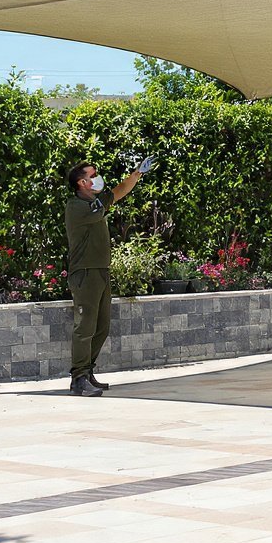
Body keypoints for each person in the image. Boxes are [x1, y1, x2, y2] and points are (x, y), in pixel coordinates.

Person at [64, 156, 153, 397]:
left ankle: (87, 371)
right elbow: (113, 196)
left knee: (102, 328)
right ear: (82, 183)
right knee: (85, 327)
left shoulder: (94, 203)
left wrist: (137, 174)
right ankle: (79, 378)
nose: (97, 178)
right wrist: (118, 189)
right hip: (85, 273)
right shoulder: (76, 206)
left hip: (101, 271)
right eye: (92, 175)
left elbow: (117, 192)